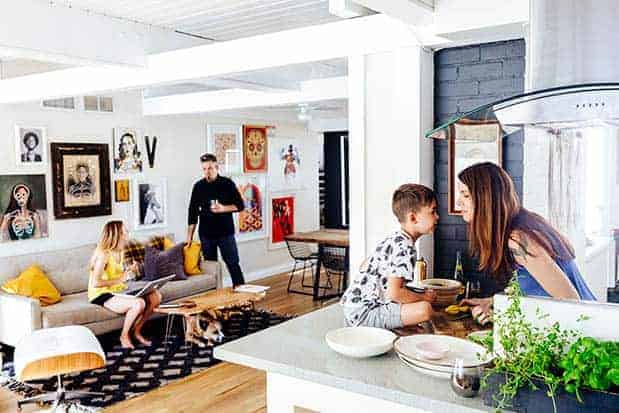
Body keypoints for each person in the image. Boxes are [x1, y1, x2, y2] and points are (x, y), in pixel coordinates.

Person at [457, 162, 596, 325]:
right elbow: (532, 285)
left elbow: (571, 302)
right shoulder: (520, 226)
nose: (459, 202)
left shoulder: (519, 240)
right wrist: (492, 301)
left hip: (585, 329)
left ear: (487, 199)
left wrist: (503, 316)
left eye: (465, 195)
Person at [340, 184, 439, 329]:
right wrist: (424, 298)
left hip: (354, 307)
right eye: (433, 211)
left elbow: (365, 265)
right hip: (364, 314)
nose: (437, 217)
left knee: (415, 299)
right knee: (425, 309)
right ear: (413, 218)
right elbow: (394, 293)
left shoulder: (395, 239)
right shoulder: (405, 247)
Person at [88, 220, 162, 349]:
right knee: (139, 303)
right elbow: (96, 283)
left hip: (118, 289)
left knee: (156, 296)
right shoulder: (103, 254)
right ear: (117, 235)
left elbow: (117, 275)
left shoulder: (120, 250)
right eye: (125, 231)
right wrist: (121, 279)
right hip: (102, 294)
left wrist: (129, 271)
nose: (127, 233)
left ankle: (137, 331)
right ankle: (124, 336)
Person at [187, 153, 246, 287]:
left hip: (225, 233)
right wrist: (189, 238)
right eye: (204, 169)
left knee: (233, 264)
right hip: (206, 235)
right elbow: (192, 213)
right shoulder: (198, 186)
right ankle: (215, 300)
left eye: (210, 168)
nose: (207, 172)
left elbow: (240, 206)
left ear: (217, 167)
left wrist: (223, 208)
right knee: (211, 269)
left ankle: (244, 297)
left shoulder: (227, 183)